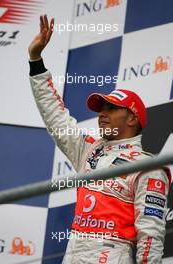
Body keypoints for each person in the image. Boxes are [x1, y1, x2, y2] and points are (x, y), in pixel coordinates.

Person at [28, 15, 171, 264]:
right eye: (101, 108)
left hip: (112, 254)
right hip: (73, 253)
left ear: (132, 119)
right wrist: (36, 61)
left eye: (111, 108)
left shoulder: (148, 167)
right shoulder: (90, 150)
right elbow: (56, 118)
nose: (102, 114)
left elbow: (151, 236)